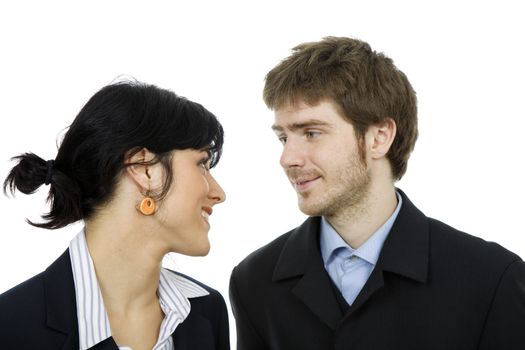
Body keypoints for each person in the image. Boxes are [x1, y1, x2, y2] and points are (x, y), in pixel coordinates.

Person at [229, 37, 525, 349]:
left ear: (379, 138)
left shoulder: (491, 279)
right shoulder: (254, 281)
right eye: (283, 138)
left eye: (311, 133)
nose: (287, 158)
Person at [0, 80, 230, 349]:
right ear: (144, 169)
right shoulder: (11, 326)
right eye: (202, 163)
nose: (219, 193)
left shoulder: (207, 310)